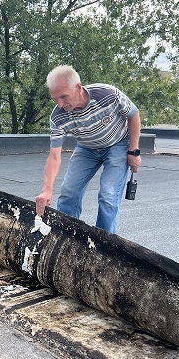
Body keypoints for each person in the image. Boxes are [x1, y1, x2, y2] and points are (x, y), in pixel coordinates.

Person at [35, 65, 142, 234]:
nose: (60, 104)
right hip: (87, 148)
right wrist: (46, 190)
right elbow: (54, 157)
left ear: (78, 87)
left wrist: (133, 151)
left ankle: (104, 244)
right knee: (68, 192)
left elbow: (134, 115)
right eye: (55, 99)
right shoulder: (58, 117)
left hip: (118, 144)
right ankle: (66, 236)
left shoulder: (107, 95)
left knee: (108, 195)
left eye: (64, 97)